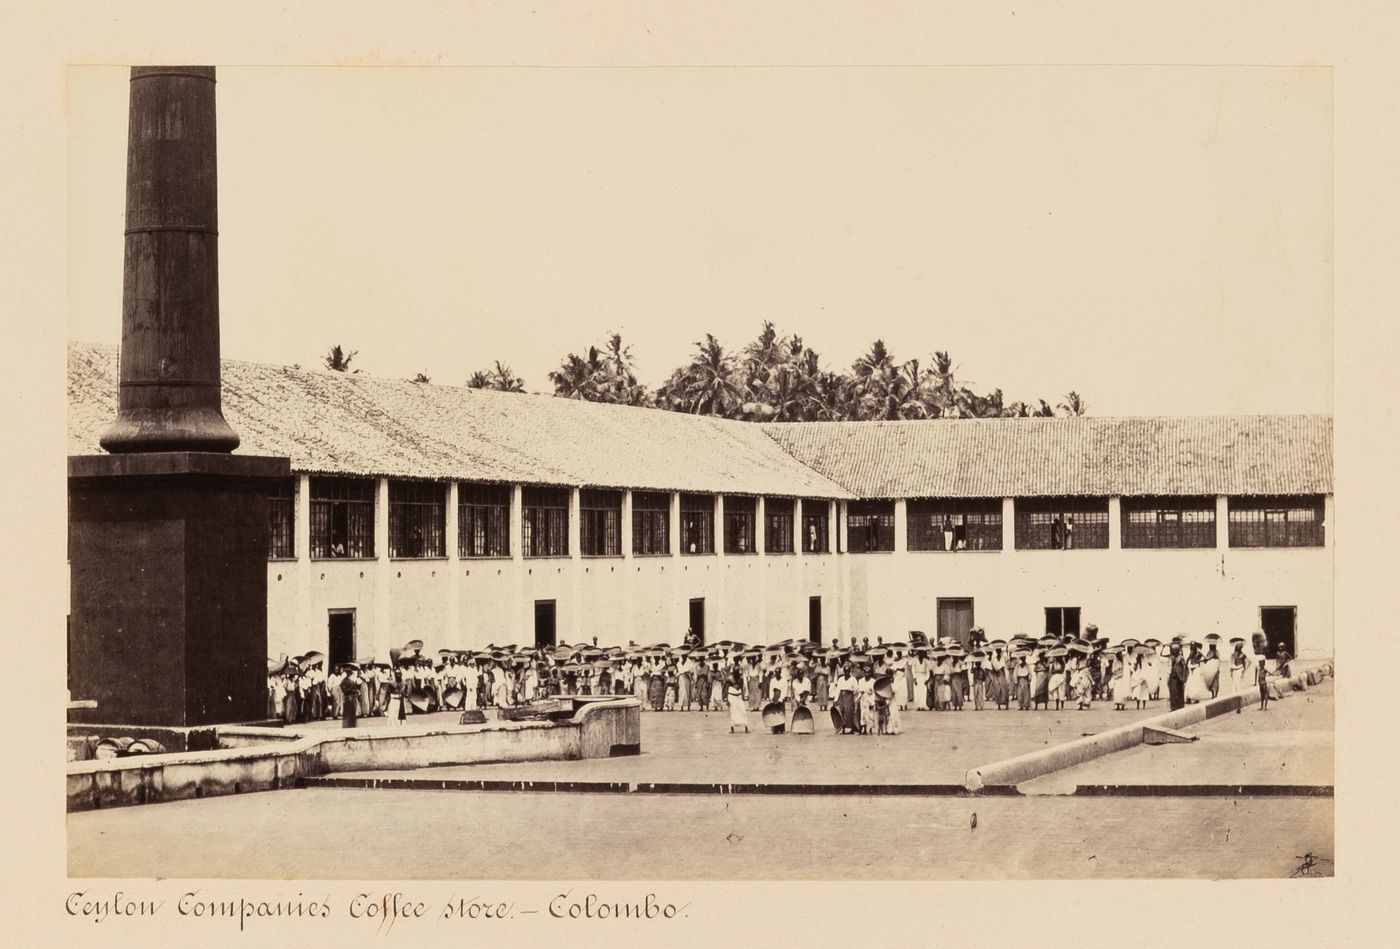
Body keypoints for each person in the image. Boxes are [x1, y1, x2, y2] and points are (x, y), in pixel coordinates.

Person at [834, 663, 857, 735]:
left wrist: (851, 694)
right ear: (844, 671)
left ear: (850, 671)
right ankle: (843, 728)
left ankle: (850, 728)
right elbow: (838, 689)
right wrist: (836, 699)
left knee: (849, 712)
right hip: (842, 696)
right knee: (842, 711)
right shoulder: (840, 679)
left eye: (848, 671)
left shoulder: (853, 679)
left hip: (849, 696)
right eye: (845, 671)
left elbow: (856, 689)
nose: (847, 673)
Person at [1167, 643, 1189, 711]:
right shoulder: (1172, 657)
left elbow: (1185, 667)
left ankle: (1179, 707)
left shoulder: (1180, 657)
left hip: (1178, 678)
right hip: (1173, 677)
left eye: (1173, 650)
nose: (1171, 651)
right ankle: (1174, 707)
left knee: (1179, 693)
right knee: (1173, 693)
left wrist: (1183, 677)